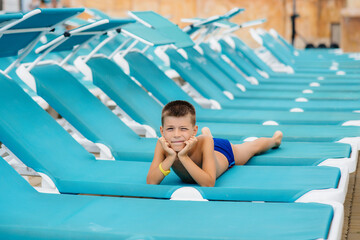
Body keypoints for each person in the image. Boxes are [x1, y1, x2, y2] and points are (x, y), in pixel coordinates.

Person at [147, 100, 283, 187]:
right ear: (162, 131)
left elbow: (208, 183)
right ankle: (207, 133)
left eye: (183, 129)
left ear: (194, 131)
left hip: (222, 152)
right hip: (204, 145)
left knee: (253, 147)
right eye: (170, 129)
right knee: (206, 140)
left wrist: (183, 157)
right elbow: (151, 181)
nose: (176, 135)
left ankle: (274, 139)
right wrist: (170, 157)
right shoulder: (163, 144)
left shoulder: (205, 142)